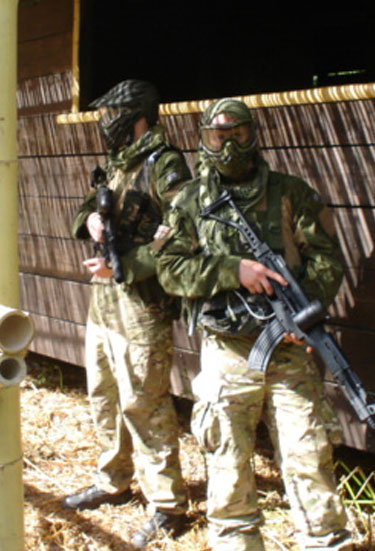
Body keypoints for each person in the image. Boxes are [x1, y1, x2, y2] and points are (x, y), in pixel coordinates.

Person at [152, 98, 353, 551]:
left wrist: (302, 315)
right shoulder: (188, 201)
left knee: (309, 458)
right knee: (228, 470)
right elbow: (170, 270)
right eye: (217, 136)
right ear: (205, 138)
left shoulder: (291, 192)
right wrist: (232, 271)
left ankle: (323, 540)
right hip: (226, 350)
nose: (227, 146)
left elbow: (326, 260)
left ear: (253, 134)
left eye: (236, 134)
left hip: (288, 349)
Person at [66, 79, 191, 549]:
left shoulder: (165, 164)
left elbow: (183, 239)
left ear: (136, 114)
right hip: (105, 307)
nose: (105, 121)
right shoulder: (120, 165)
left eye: (112, 112)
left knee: (145, 403)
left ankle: (166, 505)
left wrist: (125, 268)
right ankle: (114, 480)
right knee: (103, 393)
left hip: (142, 308)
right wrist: (90, 221)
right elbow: (83, 210)